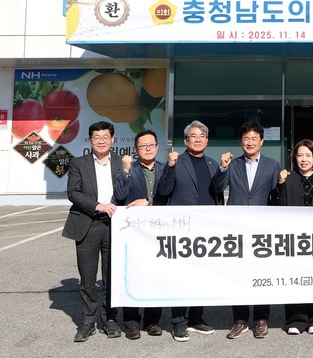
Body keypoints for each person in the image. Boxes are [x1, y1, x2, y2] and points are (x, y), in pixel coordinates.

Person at [214, 121, 282, 340]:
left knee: (262, 273)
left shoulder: (272, 165)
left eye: (254, 139)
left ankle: (261, 319)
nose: (250, 143)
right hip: (237, 227)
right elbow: (217, 187)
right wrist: (222, 168)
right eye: (246, 139)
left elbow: (277, 197)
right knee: (239, 273)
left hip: (263, 228)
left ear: (262, 141)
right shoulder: (232, 164)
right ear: (241, 142)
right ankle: (240, 320)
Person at [159, 120, 224, 342]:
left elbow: (219, 190)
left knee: (201, 274)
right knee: (181, 275)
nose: (198, 139)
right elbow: (164, 190)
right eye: (193, 136)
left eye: (202, 136)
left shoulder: (213, 163)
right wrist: (169, 167)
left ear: (207, 140)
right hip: (182, 229)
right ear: (186, 140)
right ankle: (178, 321)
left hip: (206, 229)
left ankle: (196, 318)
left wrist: (224, 169)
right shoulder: (177, 161)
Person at [62, 121, 123, 342]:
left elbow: (130, 190)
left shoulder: (122, 163)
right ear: (90, 140)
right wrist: (98, 206)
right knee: (87, 277)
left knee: (111, 275)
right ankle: (88, 321)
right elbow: (73, 193)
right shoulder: (78, 163)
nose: (101, 141)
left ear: (112, 139)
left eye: (105, 137)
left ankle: (109, 319)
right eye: (96, 137)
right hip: (88, 223)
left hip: (114, 225)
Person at [113, 129, 168, 340]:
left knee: (156, 276)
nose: (148, 148)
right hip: (134, 234)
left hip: (159, 233)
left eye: (151, 145)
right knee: (134, 276)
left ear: (157, 147)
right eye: (143, 146)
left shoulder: (165, 168)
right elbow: (119, 196)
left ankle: (152, 321)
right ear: (136, 150)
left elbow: (170, 197)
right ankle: (131, 323)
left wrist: (149, 203)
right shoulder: (128, 168)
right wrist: (126, 170)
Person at [277, 139, 313, 335]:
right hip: (294, 237)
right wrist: (281, 184)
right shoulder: (288, 177)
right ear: (294, 158)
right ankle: (296, 320)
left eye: (308, 155)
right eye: (300, 155)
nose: (304, 159)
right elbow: (280, 206)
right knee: (295, 276)